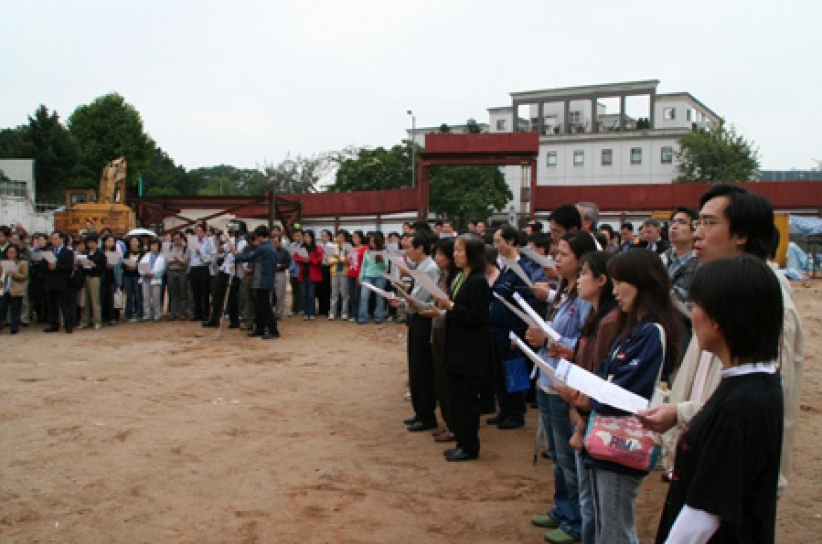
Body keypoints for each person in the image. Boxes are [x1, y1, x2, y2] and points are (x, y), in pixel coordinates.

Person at [637, 184, 804, 498]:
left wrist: (682, 413)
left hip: (730, 476)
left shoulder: (769, 302)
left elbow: (759, 407)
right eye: (698, 223)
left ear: (741, 235)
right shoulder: (722, 291)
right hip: (700, 454)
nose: (697, 233)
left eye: (709, 223)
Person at [655, 255, 784, 543]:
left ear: (721, 320)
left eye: (697, 305)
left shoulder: (742, 406)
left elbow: (703, 517)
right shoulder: (749, 383)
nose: (692, 312)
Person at [578, 249, 679, 543]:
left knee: (615, 528)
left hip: (622, 443)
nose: (614, 290)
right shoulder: (630, 329)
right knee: (605, 521)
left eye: (621, 281)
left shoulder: (651, 333)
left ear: (642, 284)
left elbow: (626, 391)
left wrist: (591, 398)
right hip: (604, 440)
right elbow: (605, 373)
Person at [525, 231, 597, 544]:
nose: (557, 259)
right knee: (555, 452)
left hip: (565, 384)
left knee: (567, 455)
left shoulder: (583, 299)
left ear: (582, 261)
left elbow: (586, 343)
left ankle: (576, 521)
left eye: (564, 254)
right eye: (557, 253)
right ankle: (562, 507)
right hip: (548, 379)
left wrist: (550, 340)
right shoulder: (564, 292)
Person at [552, 251, 619, 544]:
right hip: (582, 407)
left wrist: (581, 416)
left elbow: (597, 375)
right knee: (588, 496)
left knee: (598, 506)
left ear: (602, 280)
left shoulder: (608, 323)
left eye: (584, 274)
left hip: (593, 415)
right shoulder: (596, 316)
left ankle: (577, 525)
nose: (578, 281)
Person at [433, 234, 491, 462]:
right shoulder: (460, 277)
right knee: (456, 398)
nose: (455, 255)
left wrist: (451, 307)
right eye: (455, 250)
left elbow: (478, 316)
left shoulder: (478, 280)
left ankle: (469, 446)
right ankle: (462, 441)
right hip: (455, 345)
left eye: (460, 251)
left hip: (469, 350)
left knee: (466, 400)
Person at [487, 225, 547, 429]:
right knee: (499, 373)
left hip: (512, 330)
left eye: (498, 241)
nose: (496, 245)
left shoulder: (524, 269)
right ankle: (504, 410)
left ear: (511, 241)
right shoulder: (506, 267)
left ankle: (516, 414)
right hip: (497, 328)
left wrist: (519, 333)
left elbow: (527, 304)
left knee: (515, 371)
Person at [393, 232, 441, 433]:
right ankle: (420, 413)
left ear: (421, 248)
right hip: (418, 317)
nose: (407, 251)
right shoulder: (422, 268)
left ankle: (426, 414)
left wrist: (404, 302)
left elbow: (420, 299)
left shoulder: (430, 269)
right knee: (415, 366)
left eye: (410, 247)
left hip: (424, 319)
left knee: (422, 368)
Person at [234, 225, 280, 339]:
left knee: (265, 307)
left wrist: (236, 255)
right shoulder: (270, 247)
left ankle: (272, 330)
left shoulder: (263, 248)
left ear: (259, 236)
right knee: (260, 306)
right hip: (265, 280)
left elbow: (249, 256)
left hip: (262, 281)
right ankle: (260, 328)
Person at [663, 207, 699, 304]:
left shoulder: (700, 264)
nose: (674, 226)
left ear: (694, 230)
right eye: (672, 222)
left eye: (682, 222)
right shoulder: (662, 259)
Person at [357, 232, 388, 324]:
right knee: (364, 296)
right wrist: (360, 277)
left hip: (380, 277)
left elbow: (386, 266)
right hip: (367, 276)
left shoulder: (383, 251)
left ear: (378, 242)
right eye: (370, 241)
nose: (371, 243)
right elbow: (363, 265)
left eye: (373, 241)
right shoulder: (367, 251)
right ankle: (362, 317)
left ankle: (379, 317)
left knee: (379, 297)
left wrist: (381, 260)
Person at [293, 229, 323, 321]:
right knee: (304, 294)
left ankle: (311, 312)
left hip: (313, 274)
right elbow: (295, 257)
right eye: (304, 236)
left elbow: (319, 260)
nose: (306, 238)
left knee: (311, 294)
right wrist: (303, 260)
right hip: (303, 273)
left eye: (307, 236)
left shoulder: (317, 248)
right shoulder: (301, 248)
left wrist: (310, 260)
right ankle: (306, 312)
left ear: (312, 237)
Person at [188, 224, 215, 322]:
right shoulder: (192, 241)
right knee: (195, 292)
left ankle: (205, 314)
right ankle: (197, 313)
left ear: (204, 232)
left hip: (204, 267)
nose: (198, 233)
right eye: (196, 231)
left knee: (205, 293)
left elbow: (212, 256)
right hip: (194, 267)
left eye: (200, 231)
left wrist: (201, 254)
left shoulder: (209, 241)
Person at [79, 234, 105, 331]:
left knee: (95, 300)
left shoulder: (100, 254)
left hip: (95, 277)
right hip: (85, 276)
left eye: (92, 243)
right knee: (85, 301)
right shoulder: (85, 253)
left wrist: (94, 265)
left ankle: (97, 321)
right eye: (89, 243)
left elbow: (103, 268)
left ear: (96, 243)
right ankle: (84, 321)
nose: (90, 245)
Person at [0, 245, 28, 334]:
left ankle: (14, 327)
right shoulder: (2, 263)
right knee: (1, 308)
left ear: (16, 253)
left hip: (16, 289)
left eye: (13, 252)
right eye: (9, 252)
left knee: (15, 309)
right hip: (4, 288)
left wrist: (14, 274)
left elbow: (24, 276)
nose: (10, 254)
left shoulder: (22, 263)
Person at [139, 239, 166, 322]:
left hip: (156, 279)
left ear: (159, 247)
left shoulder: (162, 257)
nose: (153, 247)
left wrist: (153, 274)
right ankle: (147, 315)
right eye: (152, 245)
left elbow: (162, 269)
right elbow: (141, 266)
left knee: (156, 298)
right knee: (146, 298)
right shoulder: (145, 256)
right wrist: (145, 273)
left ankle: (157, 315)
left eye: (155, 245)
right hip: (146, 279)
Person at [164, 232, 188, 321]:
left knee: (183, 293)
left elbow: (185, 261)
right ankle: (174, 313)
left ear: (182, 239)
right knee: (173, 293)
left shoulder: (185, 248)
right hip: (172, 271)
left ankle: (183, 313)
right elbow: (168, 259)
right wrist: (177, 260)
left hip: (182, 271)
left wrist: (178, 260)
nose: (176, 241)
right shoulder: (170, 247)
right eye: (174, 239)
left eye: (178, 239)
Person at [328, 229, 350, 321]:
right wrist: (339, 259)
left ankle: (344, 313)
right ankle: (332, 312)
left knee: (345, 294)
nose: (339, 238)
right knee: (334, 293)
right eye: (338, 236)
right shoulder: (334, 247)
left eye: (342, 237)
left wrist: (339, 258)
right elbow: (330, 259)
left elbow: (348, 260)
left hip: (345, 272)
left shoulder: (348, 247)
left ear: (345, 238)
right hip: (334, 272)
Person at [347, 230, 366, 321]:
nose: (354, 239)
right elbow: (348, 262)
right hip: (350, 273)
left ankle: (359, 314)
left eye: (356, 237)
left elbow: (364, 263)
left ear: (361, 238)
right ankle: (353, 314)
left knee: (358, 295)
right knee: (352, 295)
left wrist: (360, 275)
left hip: (359, 274)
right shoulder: (351, 248)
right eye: (353, 237)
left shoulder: (365, 248)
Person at [271, 234, 291, 320]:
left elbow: (288, 263)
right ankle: (269, 312)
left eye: (276, 242)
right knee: (269, 294)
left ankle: (278, 312)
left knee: (280, 294)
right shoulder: (269, 250)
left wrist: (281, 266)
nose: (274, 243)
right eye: (273, 242)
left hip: (280, 273)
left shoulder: (284, 251)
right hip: (270, 273)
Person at [287, 228, 304, 317]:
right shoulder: (291, 245)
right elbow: (289, 258)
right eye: (295, 235)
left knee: (302, 291)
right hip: (293, 271)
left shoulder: (304, 246)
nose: (297, 237)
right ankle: (294, 308)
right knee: (294, 291)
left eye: (299, 235)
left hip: (301, 271)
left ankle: (301, 308)